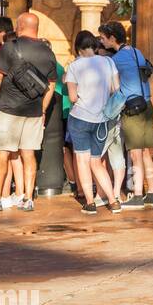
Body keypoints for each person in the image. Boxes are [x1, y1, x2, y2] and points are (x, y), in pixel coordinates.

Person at [0, 13, 56, 213]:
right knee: (29, 154)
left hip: (9, 110)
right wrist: (42, 110)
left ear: (19, 25)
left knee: (3, 154)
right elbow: (51, 84)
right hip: (33, 112)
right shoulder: (47, 51)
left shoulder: (10, 47)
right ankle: (27, 198)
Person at [99, 21, 153, 208]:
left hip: (132, 108)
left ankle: (138, 195)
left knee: (134, 153)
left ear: (112, 38)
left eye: (103, 38)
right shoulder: (136, 51)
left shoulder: (114, 60)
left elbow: (109, 83)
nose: (101, 42)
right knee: (145, 152)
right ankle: (151, 193)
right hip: (147, 104)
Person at [63, 31, 122, 215]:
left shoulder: (74, 66)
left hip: (80, 117)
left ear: (78, 48)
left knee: (82, 160)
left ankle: (90, 202)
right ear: (94, 46)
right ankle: (113, 200)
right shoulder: (108, 61)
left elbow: (72, 97)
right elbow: (115, 89)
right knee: (97, 161)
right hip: (102, 118)